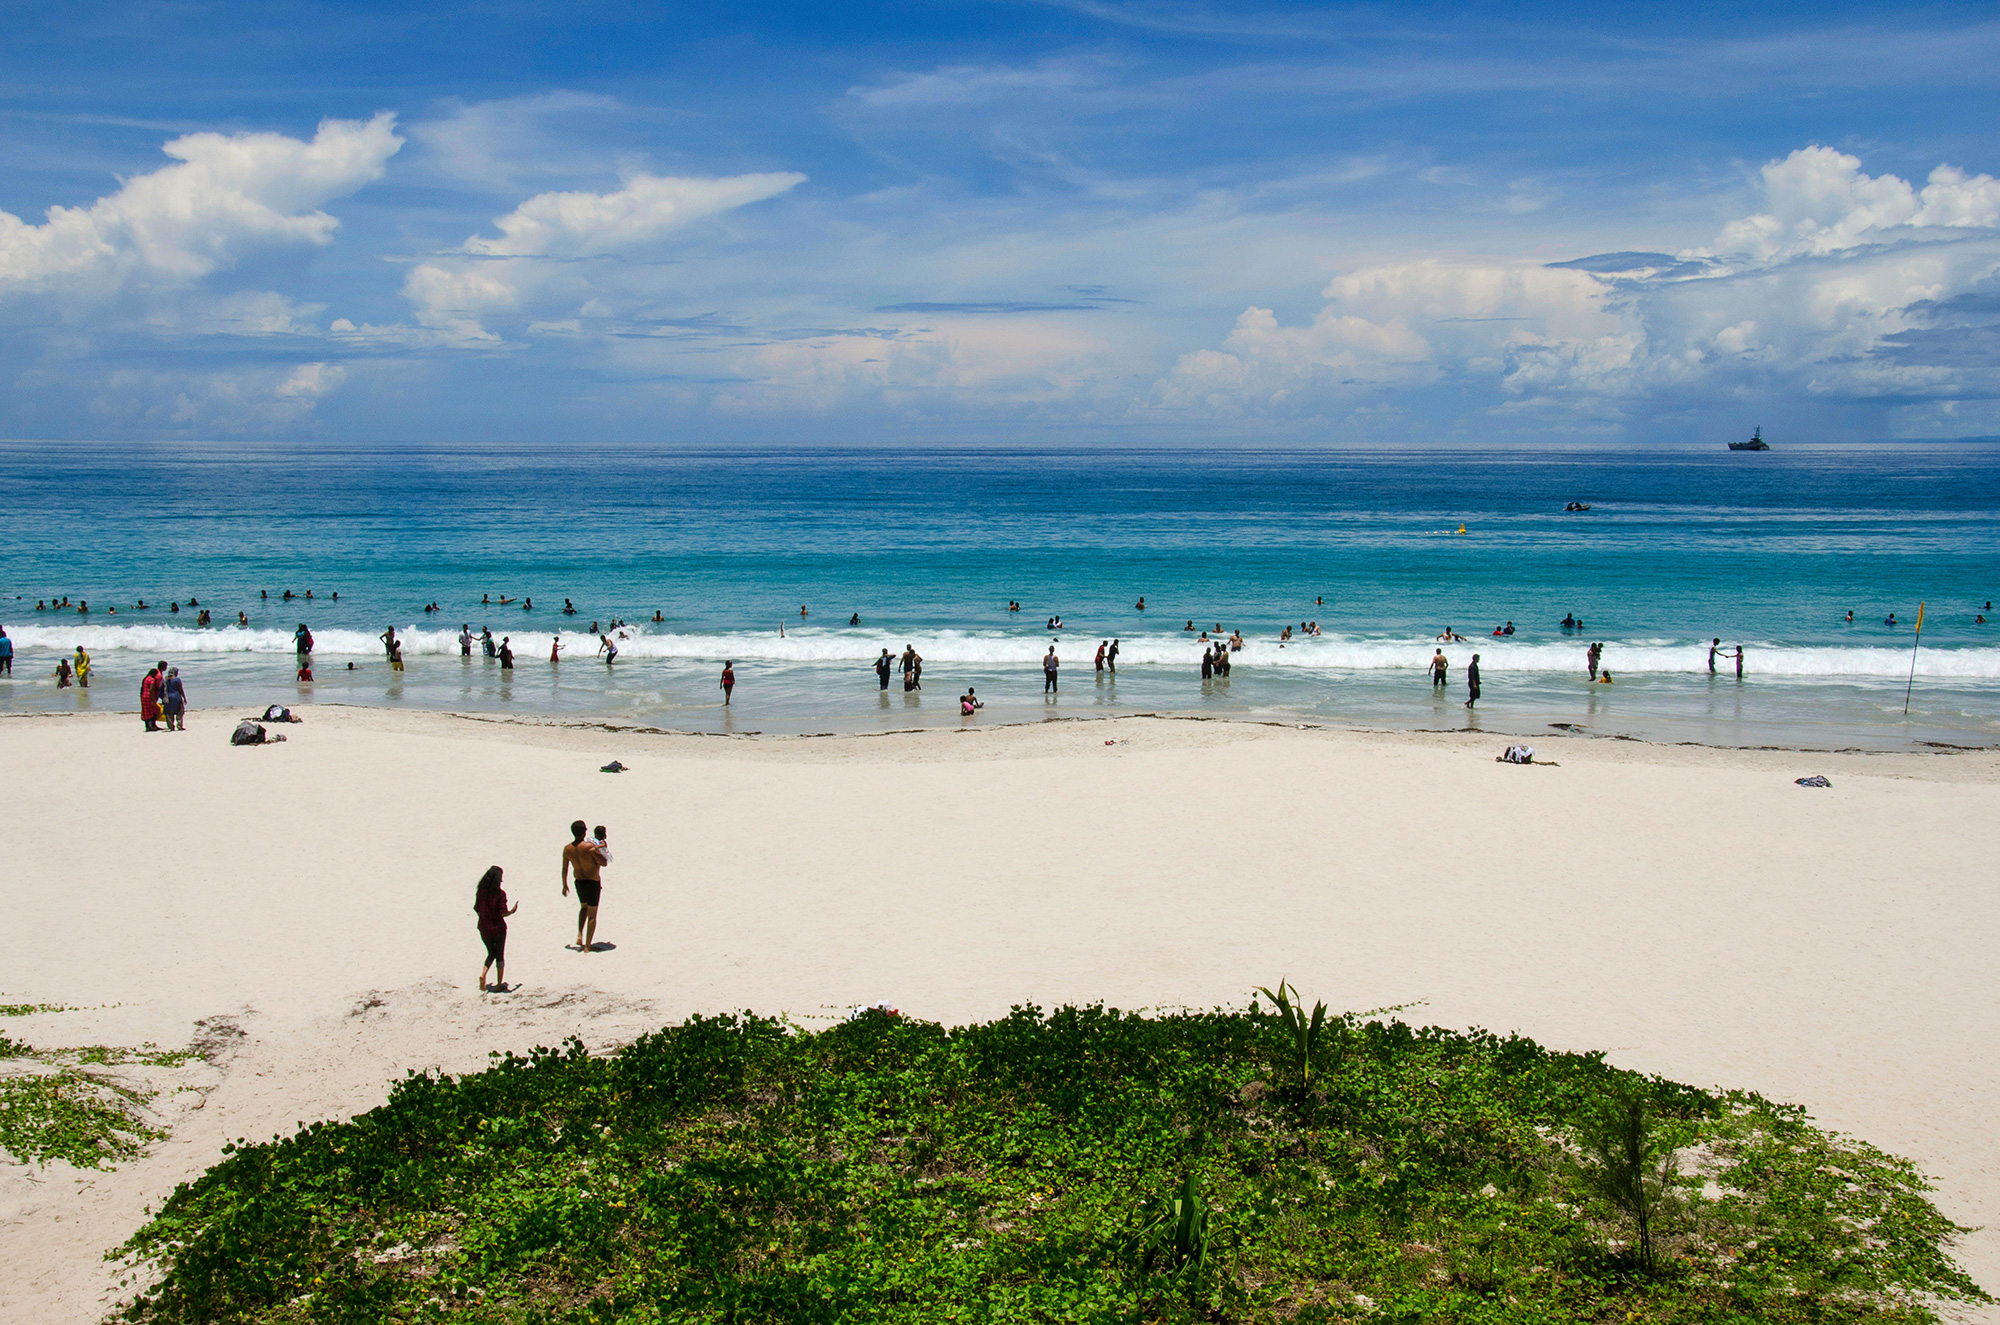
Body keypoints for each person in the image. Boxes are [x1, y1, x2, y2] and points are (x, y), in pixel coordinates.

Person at [560, 820, 606, 951]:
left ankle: (579, 934)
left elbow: (564, 869)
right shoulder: (589, 847)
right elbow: (604, 862)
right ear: (584, 832)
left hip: (579, 882)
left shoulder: (567, 849)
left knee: (583, 908)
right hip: (592, 882)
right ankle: (587, 946)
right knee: (592, 915)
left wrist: (564, 885)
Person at [475, 865, 517, 992]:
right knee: (499, 955)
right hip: (498, 928)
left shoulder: (480, 891)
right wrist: (512, 911)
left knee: (490, 953)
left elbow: (477, 909)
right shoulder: (500, 894)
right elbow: (503, 912)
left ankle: (483, 975)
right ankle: (499, 985)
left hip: (483, 927)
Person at [140, 663, 162, 731]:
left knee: (145, 711)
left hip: (143, 696)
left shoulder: (145, 679)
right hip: (149, 696)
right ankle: (153, 725)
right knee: (154, 710)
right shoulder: (152, 680)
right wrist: (154, 698)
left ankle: (147, 726)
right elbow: (151, 689)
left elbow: (142, 689)